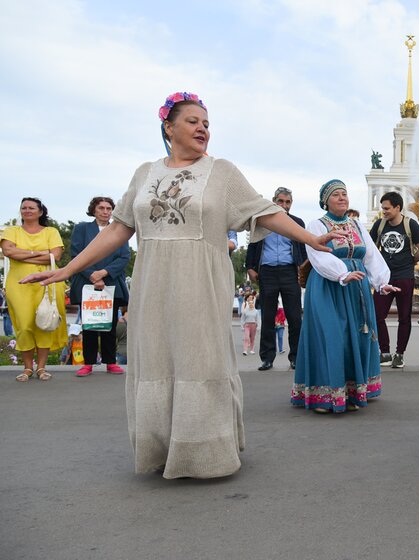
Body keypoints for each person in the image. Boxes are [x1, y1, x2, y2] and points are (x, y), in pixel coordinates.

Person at [21, 92, 342, 479]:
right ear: (168, 128)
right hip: (153, 280)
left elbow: (266, 212)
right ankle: (161, 448)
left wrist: (310, 239)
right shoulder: (145, 173)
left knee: (200, 358)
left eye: (206, 123)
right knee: (157, 357)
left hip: (201, 280)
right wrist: (67, 270)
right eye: (193, 121)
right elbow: (119, 229)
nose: (202, 128)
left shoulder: (222, 171)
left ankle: (207, 452)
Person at [291, 180, 399, 413]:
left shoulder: (356, 225)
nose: (342, 197)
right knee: (331, 335)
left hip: (356, 287)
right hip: (328, 285)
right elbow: (317, 255)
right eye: (336, 194)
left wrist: (381, 282)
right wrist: (341, 273)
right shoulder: (317, 225)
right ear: (325, 201)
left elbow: (371, 255)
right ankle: (324, 395)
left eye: (344, 193)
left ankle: (350, 393)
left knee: (354, 337)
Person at [1, 197, 67, 381]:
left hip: (47, 283)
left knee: (44, 322)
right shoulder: (12, 231)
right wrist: (40, 253)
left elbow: (55, 256)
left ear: (40, 212)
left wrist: (22, 254)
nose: (27, 210)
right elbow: (8, 252)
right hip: (18, 284)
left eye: (31, 208)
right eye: (24, 208)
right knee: (24, 325)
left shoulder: (51, 231)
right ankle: (27, 368)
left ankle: (41, 368)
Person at [245, 187, 306, 371]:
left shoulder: (297, 222)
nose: (284, 205)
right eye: (280, 201)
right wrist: (250, 267)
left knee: (294, 317)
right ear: (274, 201)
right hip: (267, 272)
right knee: (268, 317)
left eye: (287, 202)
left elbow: (302, 248)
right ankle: (267, 358)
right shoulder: (263, 222)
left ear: (291, 204)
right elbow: (252, 245)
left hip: (289, 272)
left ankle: (296, 357)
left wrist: (303, 268)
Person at [69, 196, 131, 377]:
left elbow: (124, 257)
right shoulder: (82, 229)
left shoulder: (120, 230)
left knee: (110, 326)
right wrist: (92, 275)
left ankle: (110, 362)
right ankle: (88, 363)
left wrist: (104, 273)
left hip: (111, 283)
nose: (105, 211)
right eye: (101, 208)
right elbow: (76, 254)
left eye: (109, 208)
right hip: (87, 282)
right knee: (89, 326)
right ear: (94, 210)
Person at [369, 191, 419, 368]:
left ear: (397, 208)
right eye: (383, 208)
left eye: (387, 208)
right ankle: (385, 352)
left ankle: (400, 354)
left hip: (404, 277)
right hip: (384, 278)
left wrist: (409, 262)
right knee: (377, 315)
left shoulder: (411, 225)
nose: (384, 211)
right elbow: (371, 249)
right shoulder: (379, 225)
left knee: (404, 317)